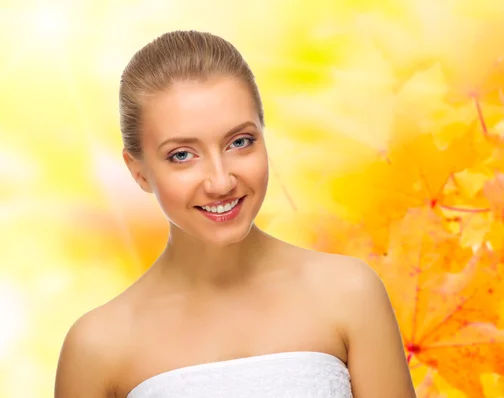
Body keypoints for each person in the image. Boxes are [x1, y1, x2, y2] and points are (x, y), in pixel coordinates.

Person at [54, 30, 416, 398]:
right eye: (182, 154)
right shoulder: (97, 347)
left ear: (263, 135)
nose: (221, 181)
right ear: (139, 172)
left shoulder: (350, 293)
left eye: (239, 142)